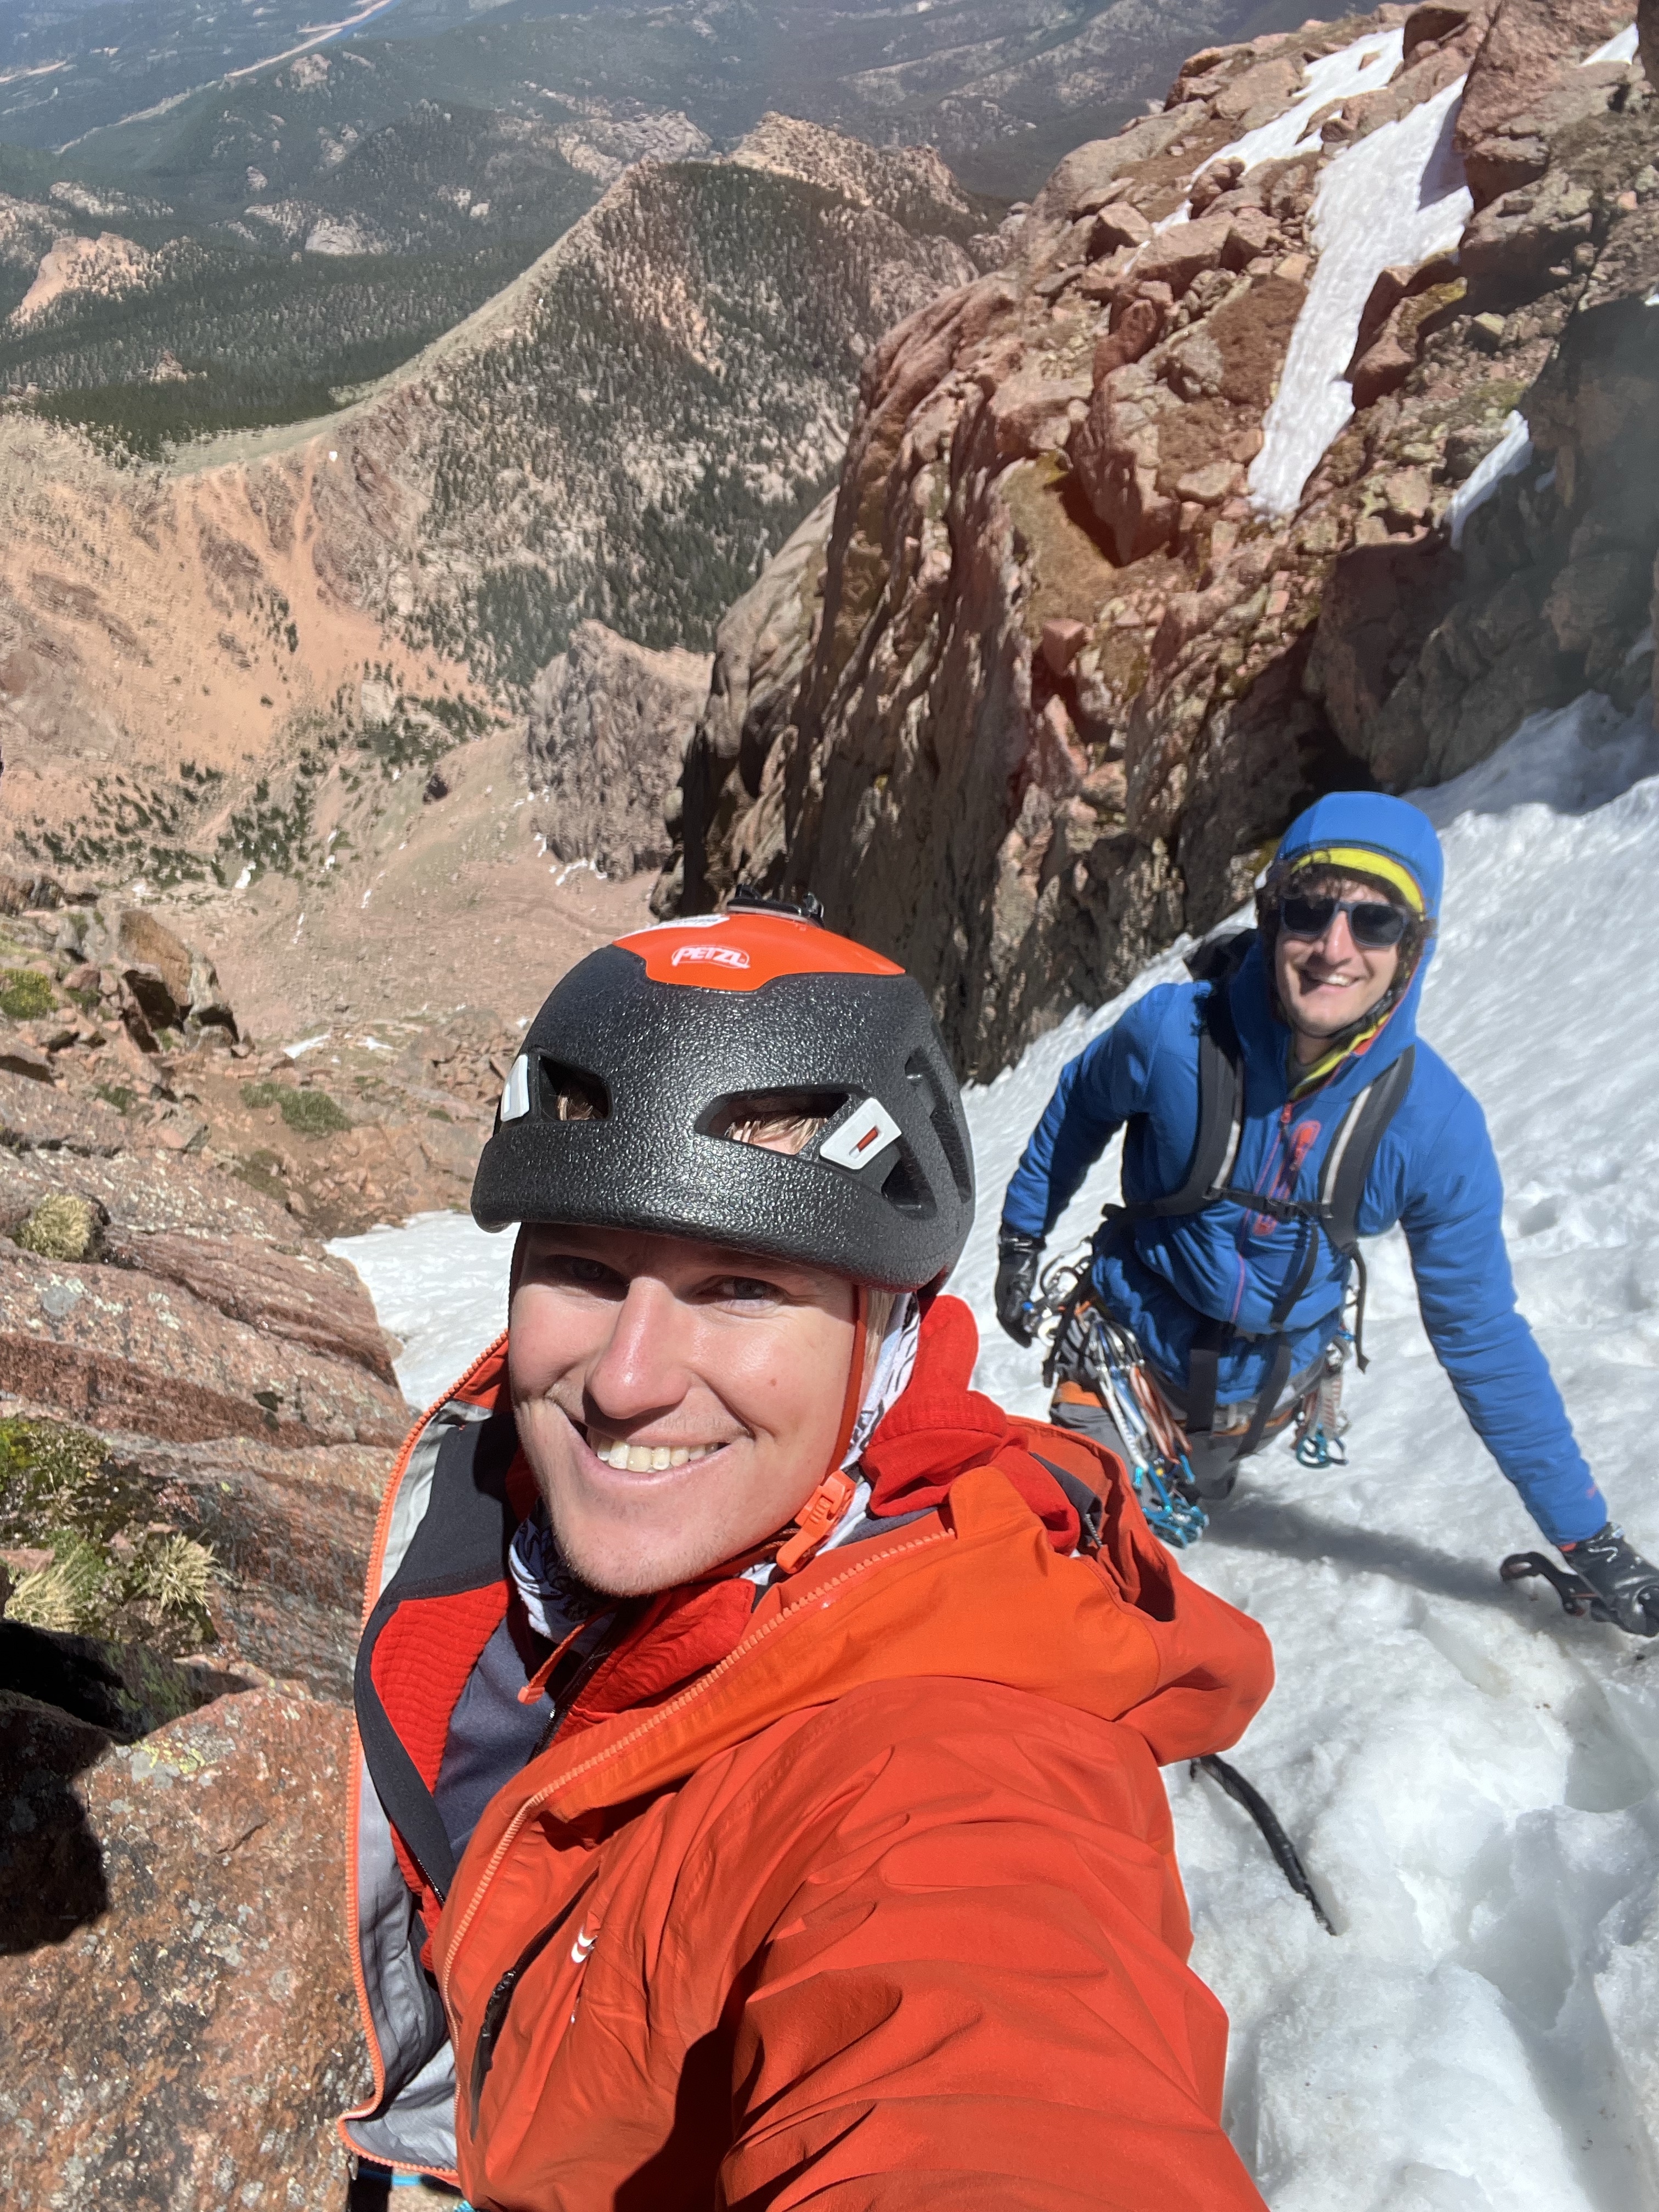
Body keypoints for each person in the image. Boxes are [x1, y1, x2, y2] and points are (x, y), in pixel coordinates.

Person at [340, 901, 1274, 2209]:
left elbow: (986, 2078)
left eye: (740, 1286)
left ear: (883, 1335)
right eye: (583, 1266)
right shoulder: (511, 1521)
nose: (626, 1379)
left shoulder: (958, 1761)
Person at [995, 790, 1659, 1633]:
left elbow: (1482, 1338)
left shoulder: (1431, 1128)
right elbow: (1080, 1106)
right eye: (1311, 910)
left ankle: (1192, 1474)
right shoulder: (1172, 1037)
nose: (1334, 948)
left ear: (1413, 950)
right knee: (1067, 1549)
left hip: (1262, 1398)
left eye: (1375, 923)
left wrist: (1590, 1539)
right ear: (1273, 919)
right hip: (1126, 1363)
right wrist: (1022, 1235)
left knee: (1172, 1502)